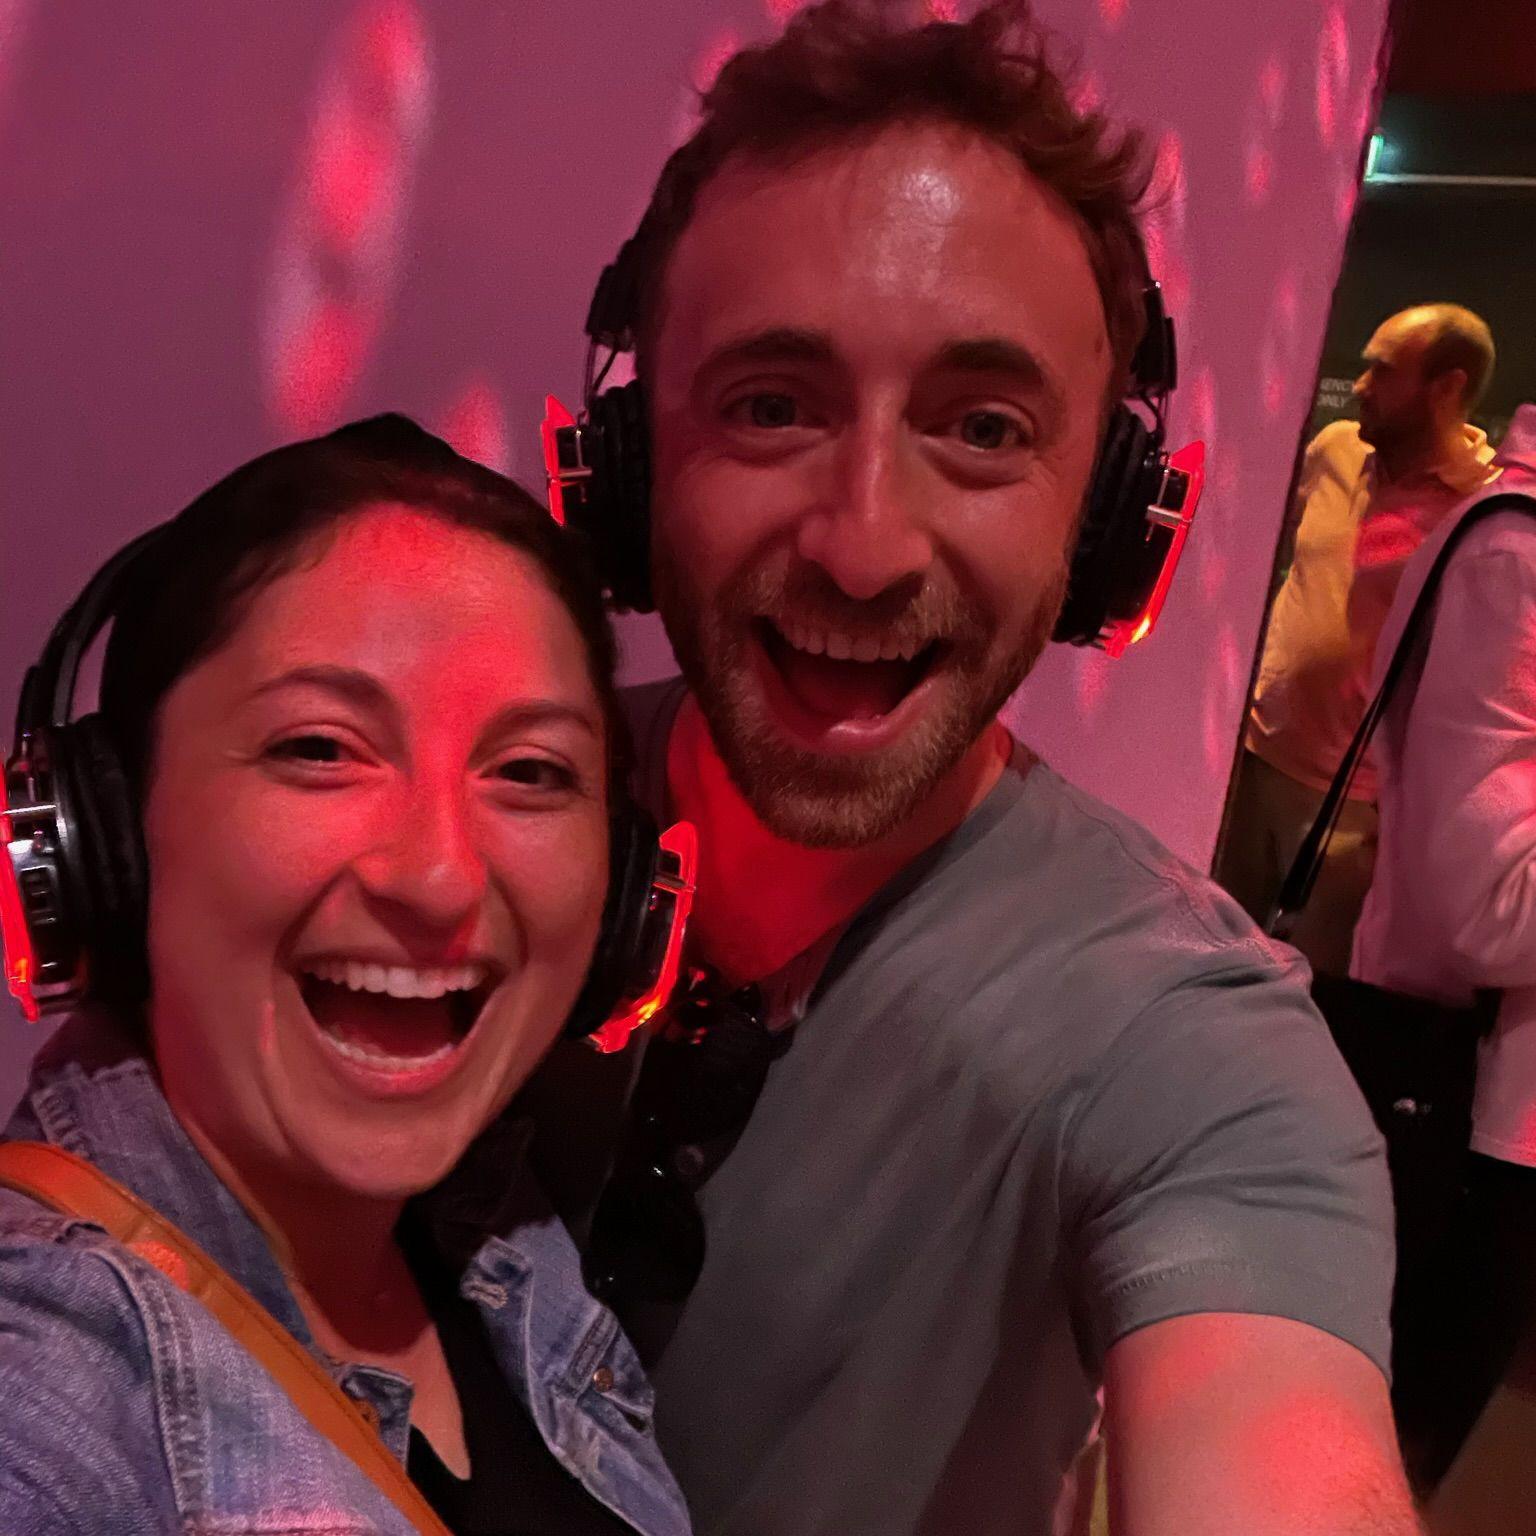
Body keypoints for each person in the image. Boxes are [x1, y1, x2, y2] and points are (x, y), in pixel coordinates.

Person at [528, 5, 1419, 1533]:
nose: (864, 544)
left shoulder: (1193, 1044)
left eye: (984, 429)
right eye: (770, 407)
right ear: (627, 465)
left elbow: (1278, 1443)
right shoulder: (463, 820)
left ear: (1108, 521)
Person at [0, 417, 691, 1535]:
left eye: (529, 771)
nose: (439, 877)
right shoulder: (49, 1372)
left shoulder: (496, 1235)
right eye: (319, 748)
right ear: (107, 842)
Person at [1352, 404, 1536, 1490]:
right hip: (1480, 1130)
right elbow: (1491, 906)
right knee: (1382, 1478)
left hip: (1493, 1127)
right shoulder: (1514, 555)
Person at [1217, 303, 1498, 975]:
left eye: (1383, 370)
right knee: (1200, 948)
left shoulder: (1482, 508)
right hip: (1252, 757)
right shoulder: (1336, 448)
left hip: (1349, 805)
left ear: (1446, 387)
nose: (1361, 385)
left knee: (1303, 989)